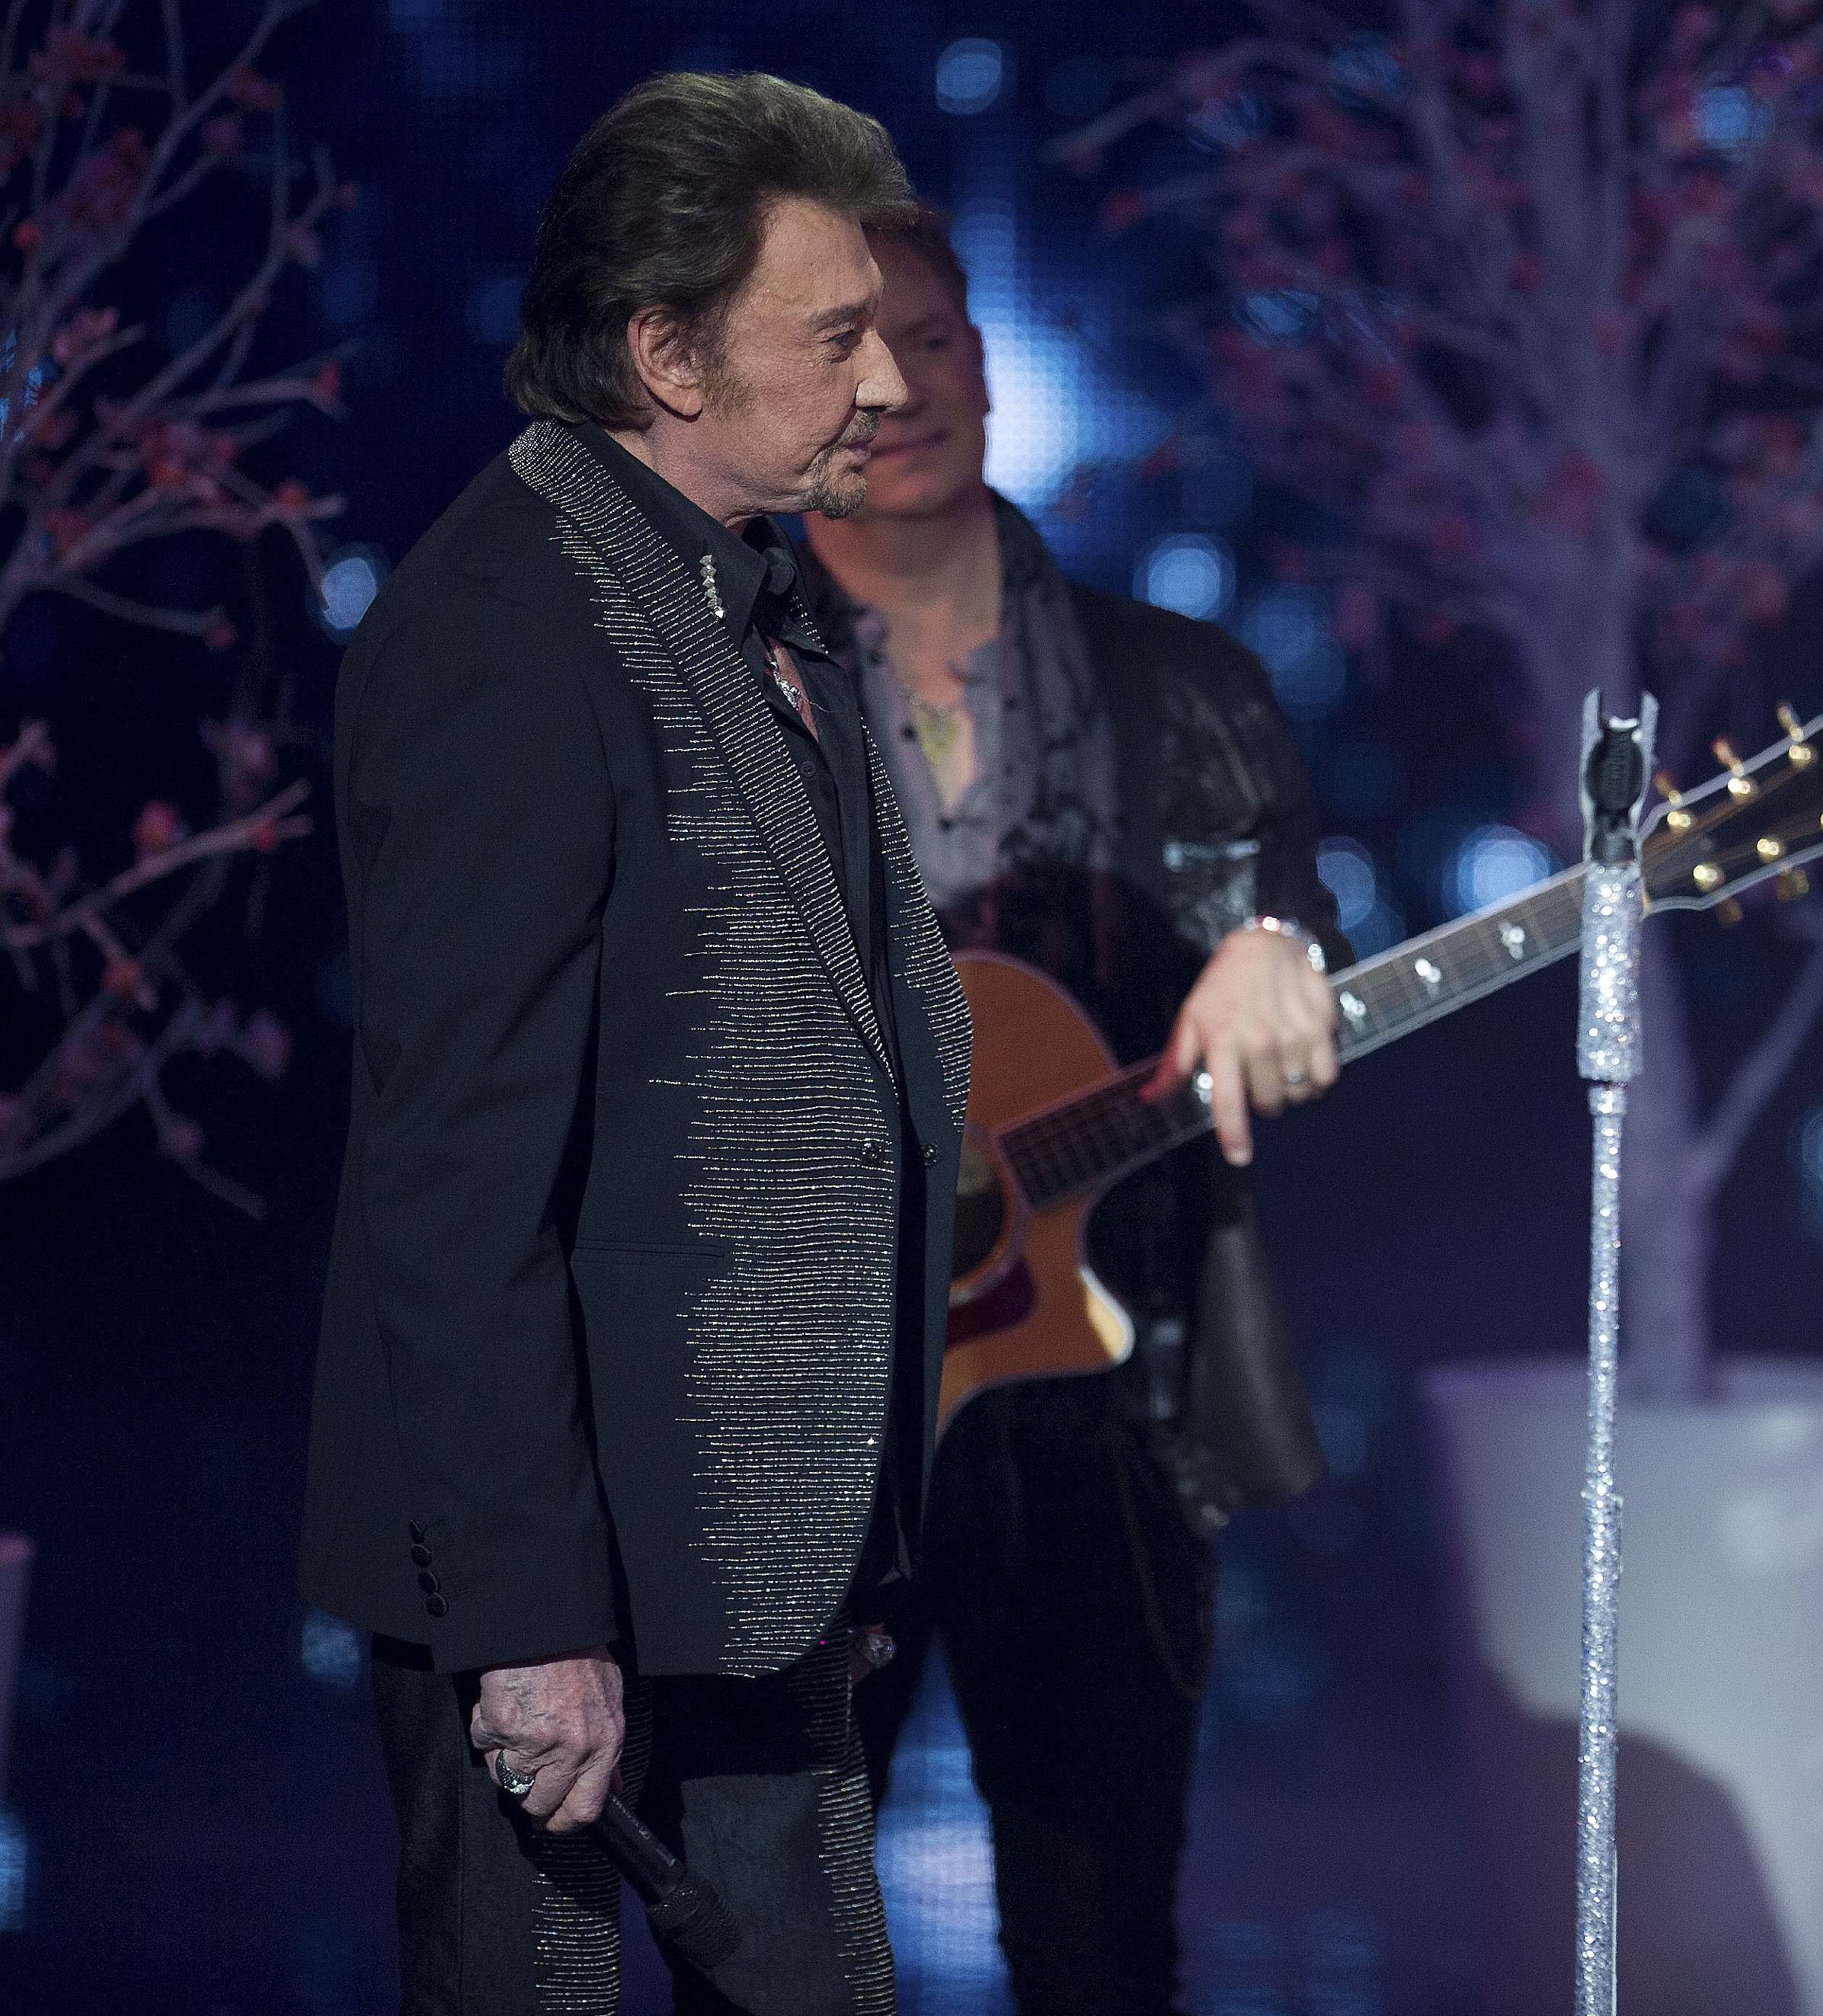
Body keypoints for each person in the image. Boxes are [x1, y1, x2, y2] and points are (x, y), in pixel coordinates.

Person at [299, 74, 971, 2014]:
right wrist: (529, 1624)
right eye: (830, 338)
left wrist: (847, 1537)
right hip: (559, 1596)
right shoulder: (505, 628)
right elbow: (458, 1175)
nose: (882, 384)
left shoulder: (763, 602)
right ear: (665, 354)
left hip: (755, 1571)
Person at [791, 209, 1345, 2013]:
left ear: (986, 361)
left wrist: (1274, 949)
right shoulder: (714, 700)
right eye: (843, 351)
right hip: (793, 1424)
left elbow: (1288, 916)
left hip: (1108, 1401)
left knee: (1103, 1954)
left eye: (931, 339)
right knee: (772, 1952)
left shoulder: (1186, 689)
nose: (896, 389)